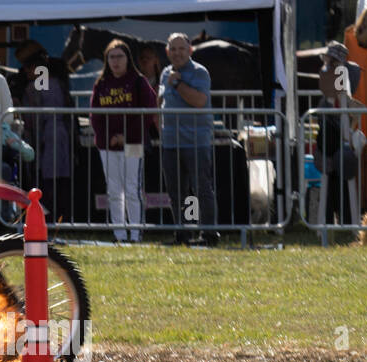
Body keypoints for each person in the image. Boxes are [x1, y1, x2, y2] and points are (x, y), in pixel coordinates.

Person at [89, 39, 158, 243]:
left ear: (128, 59)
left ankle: (135, 234)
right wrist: (109, 137)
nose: (116, 61)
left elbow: (148, 111)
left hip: (134, 143)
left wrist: (125, 136)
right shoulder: (101, 84)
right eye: (112, 57)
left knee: (132, 188)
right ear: (106, 60)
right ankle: (119, 234)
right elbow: (95, 115)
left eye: (120, 56)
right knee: (113, 189)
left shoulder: (139, 81)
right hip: (107, 146)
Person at [158, 32, 217, 245]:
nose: (177, 53)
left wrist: (178, 84)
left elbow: (200, 101)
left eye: (181, 49)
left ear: (190, 50)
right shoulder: (165, 73)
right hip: (170, 142)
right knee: (177, 191)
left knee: (201, 188)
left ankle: (208, 234)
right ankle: (182, 234)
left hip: (195, 141)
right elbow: (161, 101)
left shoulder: (200, 73)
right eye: (173, 49)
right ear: (167, 52)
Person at [17, 39, 76, 223]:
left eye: (27, 68)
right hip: (59, 134)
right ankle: (60, 216)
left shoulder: (39, 85)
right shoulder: (58, 81)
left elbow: (34, 116)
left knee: (48, 178)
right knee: (58, 177)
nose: (25, 72)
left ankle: (51, 216)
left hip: (47, 136)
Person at [315, 42, 365, 227]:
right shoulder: (340, 75)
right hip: (337, 145)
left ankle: (337, 222)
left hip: (335, 145)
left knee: (336, 182)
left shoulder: (337, 74)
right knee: (337, 182)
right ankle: (341, 221)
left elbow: (344, 102)